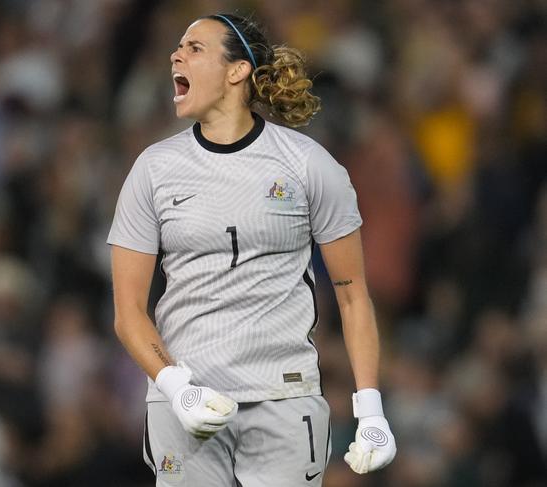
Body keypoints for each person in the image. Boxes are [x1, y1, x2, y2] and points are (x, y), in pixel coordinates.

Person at [109, 13, 396, 486]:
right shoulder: (152, 170)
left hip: (284, 397)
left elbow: (352, 295)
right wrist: (176, 387)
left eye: (194, 48)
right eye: (178, 47)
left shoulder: (309, 166)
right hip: (186, 401)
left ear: (237, 70)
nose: (175, 55)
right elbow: (128, 312)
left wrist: (370, 409)